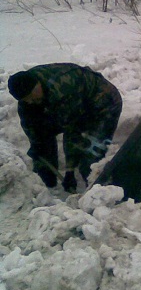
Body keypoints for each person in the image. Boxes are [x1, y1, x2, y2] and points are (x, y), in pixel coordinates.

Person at [8, 63, 122, 193]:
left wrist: (69, 171)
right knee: (43, 141)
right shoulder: (27, 97)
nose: (30, 102)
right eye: (26, 100)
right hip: (73, 106)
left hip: (103, 104)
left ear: (37, 85)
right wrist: (38, 147)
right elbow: (32, 128)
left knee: (91, 154)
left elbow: (73, 129)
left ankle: (99, 192)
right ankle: (46, 184)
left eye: (31, 97)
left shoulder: (62, 89)